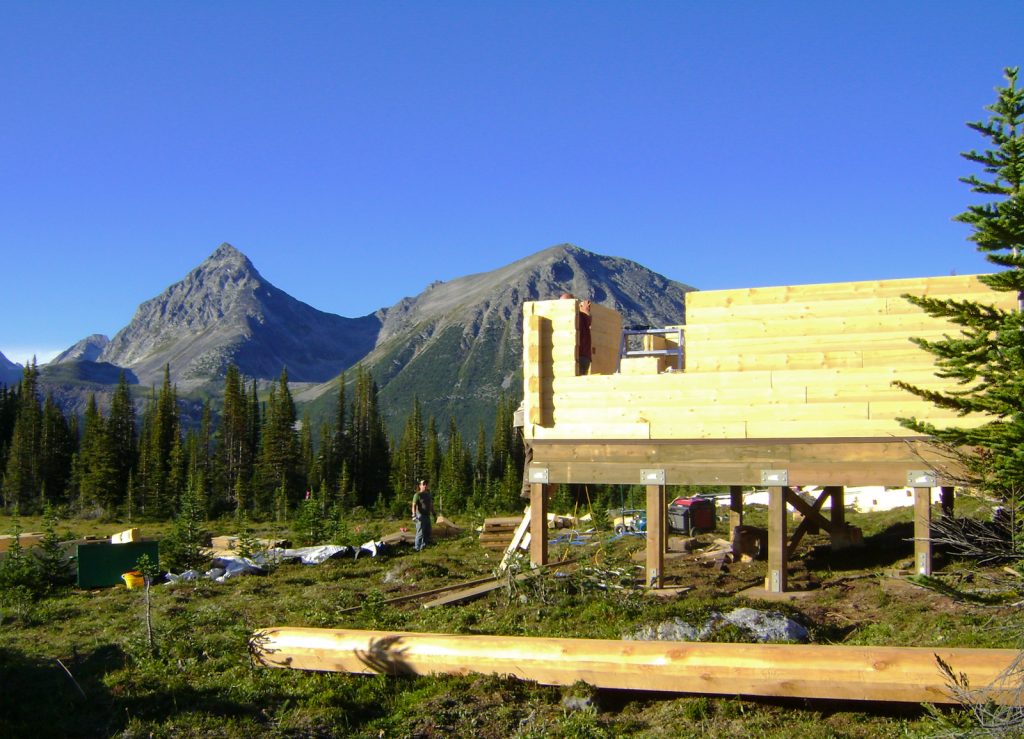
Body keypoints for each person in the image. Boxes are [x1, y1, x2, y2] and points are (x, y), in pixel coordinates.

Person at [560, 293, 593, 374]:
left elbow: (588, 322)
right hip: (578, 357)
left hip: (579, 357)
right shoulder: (579, 315)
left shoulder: (577, 316)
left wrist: (585, 312)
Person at [411, 479, 435, 551]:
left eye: (426, 484)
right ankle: (416, 547)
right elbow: (414, 505)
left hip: (427, 516)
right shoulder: (417, 495)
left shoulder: (428, 495)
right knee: (420, 532)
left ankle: (423, 546)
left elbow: (431, 505)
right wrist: (414, 515)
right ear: (420, 486)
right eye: (423, 484)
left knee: (428, 532)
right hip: (420, 516)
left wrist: (434, 514)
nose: (425, 486)